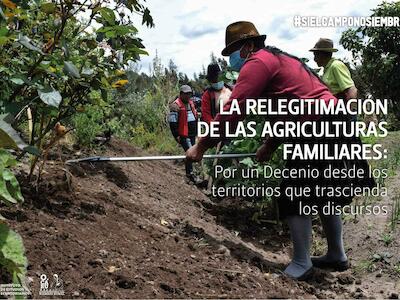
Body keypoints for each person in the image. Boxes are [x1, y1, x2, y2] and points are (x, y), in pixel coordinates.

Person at [186, 21, 374, 280]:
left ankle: (301, 263)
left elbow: (234, 110)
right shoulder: (277, 59)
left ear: (248, 46)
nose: (231, 60)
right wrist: (269, 144)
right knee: (322, 192)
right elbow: (286, 110)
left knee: (294, 192)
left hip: (319, 127)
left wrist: (201, 146)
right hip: (330, 123)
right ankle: (336, 255)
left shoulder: (257, 63)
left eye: (233, 52)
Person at [310, 38, 358, 120]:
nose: (314, 59)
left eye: (316, 55)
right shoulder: (326, 70)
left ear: (323, 55)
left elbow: (351, 89)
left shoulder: (336, 66)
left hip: (342, 111)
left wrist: (350, 113)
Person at [169, 85, 198, 182]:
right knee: (190, 153)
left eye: (189, 94)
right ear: (181, 94)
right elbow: (172, 122)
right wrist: (176, 135)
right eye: (186, 94)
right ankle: (190, 174)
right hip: (184, 134)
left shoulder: (190, 103)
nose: (188, 96)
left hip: (193, 133)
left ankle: (192, 172)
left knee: (193, 152)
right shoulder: (175, 105)